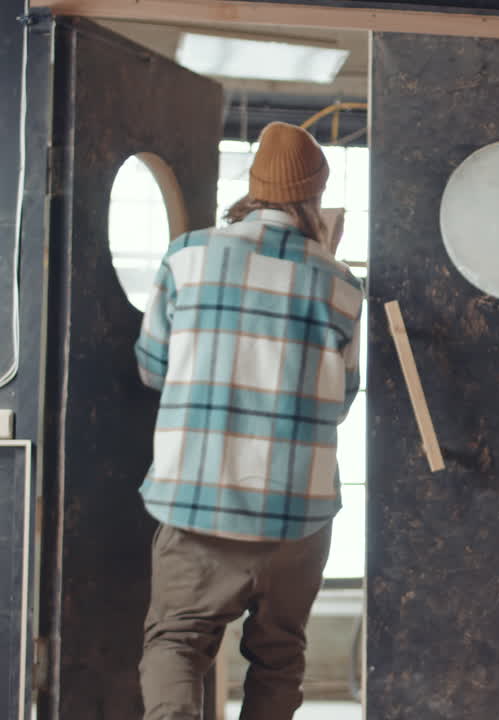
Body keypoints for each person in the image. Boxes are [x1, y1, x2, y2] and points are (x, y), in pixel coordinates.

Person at [134, 121, 363, 720]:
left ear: (253, 188)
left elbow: (153, 368)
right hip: (297, 517)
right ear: (314, 195)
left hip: (198, 507)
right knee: (280, 657)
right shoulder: (341, 286)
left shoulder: (188, 257)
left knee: (177, 646)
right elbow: (339, 402)